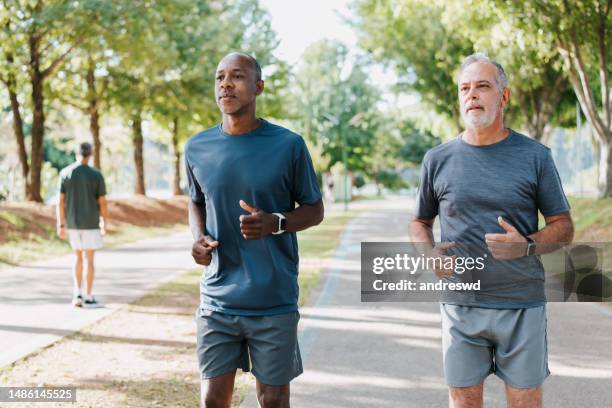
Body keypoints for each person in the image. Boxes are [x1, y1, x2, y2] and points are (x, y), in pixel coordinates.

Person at [410, 53, 574, 408]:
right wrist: (427, 255)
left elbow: (564, 227)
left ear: (504, 96)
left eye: (482, 86)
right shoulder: (437, 159)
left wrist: (526, 245)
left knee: (524, 402)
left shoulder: (535, 157)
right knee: (464, 401)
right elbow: (419, 221)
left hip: (521, 303)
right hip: (461, 304)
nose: (472, 95)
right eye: (465, 88)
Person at [184, 52, 324, 408]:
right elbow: (196, 200)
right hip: (218, 299)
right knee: (213, 399)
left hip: (272, 298)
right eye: (219, 77)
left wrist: (276, 222)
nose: (226, 84)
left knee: (273, 399)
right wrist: (197, 239)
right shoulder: (196, 147)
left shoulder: (288, 145)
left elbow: (315, 210)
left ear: (258, 87)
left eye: (237, 76)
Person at [56, 142, 107, 308]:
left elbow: (60, 202)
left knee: (77, 257)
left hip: (73, 223)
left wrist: (60, 224)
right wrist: (104, 222)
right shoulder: (96, 175)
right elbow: (102, 202)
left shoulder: (66, 173)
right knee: (89, 259)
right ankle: (89, 296)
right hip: (91, 223)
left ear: (76, 153)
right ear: (90, 154)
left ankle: (77, 293)